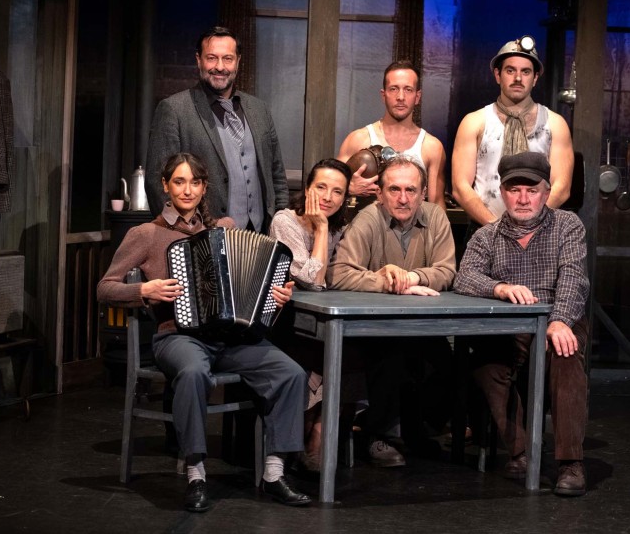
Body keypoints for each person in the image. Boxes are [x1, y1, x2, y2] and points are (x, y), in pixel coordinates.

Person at [97, 153, 312, 511]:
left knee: (290, 373)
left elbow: (251, 292)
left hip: (229, 339)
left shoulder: (222, 229)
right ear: (165, 186)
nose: (187, 190)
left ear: (204, 187)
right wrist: (144, 290)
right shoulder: (145, 234)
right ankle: (196, 474)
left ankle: (274, 474)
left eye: (194, 183)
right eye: (179, 182)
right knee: (194, 371)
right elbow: (104, 289)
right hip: (176, 336)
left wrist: (275, 297)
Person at [453, 151, 590, 497]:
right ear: (502, 192)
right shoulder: (487, 236)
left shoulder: (567, 225)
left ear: (546, 192)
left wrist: (558, 321)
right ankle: (521, 451)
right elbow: (464, 277)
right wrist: (499, 287)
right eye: (515, 190)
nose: (523, 199)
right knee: (486, 366)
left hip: (557, 319)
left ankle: (570, 463)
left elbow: (574, 278)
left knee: (565, 353)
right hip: (509, 330)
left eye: (532, 190)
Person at [327, 155, 457, 467]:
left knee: (449, 365)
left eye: (410, 190)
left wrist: (413, 278)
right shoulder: (368, 219)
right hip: (375, 325)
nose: (402, 198)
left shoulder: (436, 217)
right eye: (394, 190)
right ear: (381, 194)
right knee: (391, 355)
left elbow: (447, 270)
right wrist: (387, 282)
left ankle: (417, 430)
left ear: (423, 194)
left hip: (423, 324)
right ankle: (377, 435)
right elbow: (339, 273)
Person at [145, 26, 289, 233]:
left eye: (227, 59)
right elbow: (157, 184)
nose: (220, 67)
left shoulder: (259, 109)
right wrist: (189, 234)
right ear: (199, 60)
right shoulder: (174, 110)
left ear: (238, 61)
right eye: (212, 58)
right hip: (202, 239)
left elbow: (277, 176)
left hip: (260, 237)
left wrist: (281, 224)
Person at [268, 158, 357, 473]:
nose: (328, 197)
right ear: (307, 189)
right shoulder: (285, 222)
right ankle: (302, 437)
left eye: (337, 191)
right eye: (321, 187)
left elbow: (343, 274)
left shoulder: (342, 228)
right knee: (318, 355)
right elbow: (313, 279)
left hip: (319, 319)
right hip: (284, 320)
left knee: (353, 352)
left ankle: (316, 438)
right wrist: (320, 229)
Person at [451, 35, 575, 229]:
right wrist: (496, 228)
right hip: (484, 229)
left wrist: (529, 227)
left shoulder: (555, 124)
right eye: (510, 71)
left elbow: (562, 187)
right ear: (497, 75)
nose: (518, 78)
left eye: (526, 72)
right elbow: (460, 187)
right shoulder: (474, 122)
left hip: (539, 231)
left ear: (535, 78)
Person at [337, 60, 447, 210]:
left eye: (408, 89)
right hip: (363, 223)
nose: (400, 96)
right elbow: (330, 188)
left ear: (417, 97)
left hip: (414, 225)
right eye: (394, 89)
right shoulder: (358, 140)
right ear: (384, 95)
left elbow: (437, 206)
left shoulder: (432, 147)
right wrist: (348, 188)